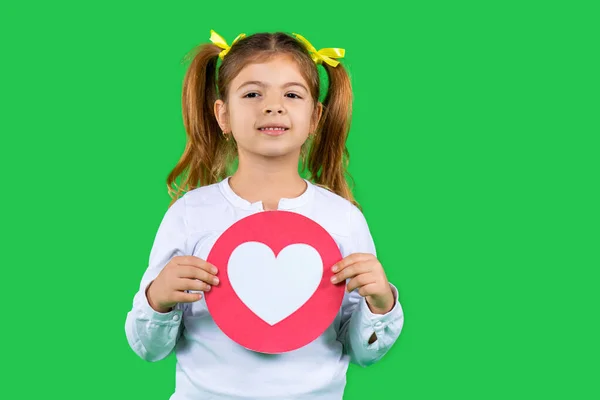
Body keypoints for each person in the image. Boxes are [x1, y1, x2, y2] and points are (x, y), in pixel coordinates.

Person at [125, 29, 405, 399]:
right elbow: (149, 348)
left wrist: (380, 302)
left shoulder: (342, 219)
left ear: (315, 117)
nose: (272, 106)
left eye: (291, 94)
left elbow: (363, 351)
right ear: (222, 114)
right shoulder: (190, 214)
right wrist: (157, 299)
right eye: (253, 93)